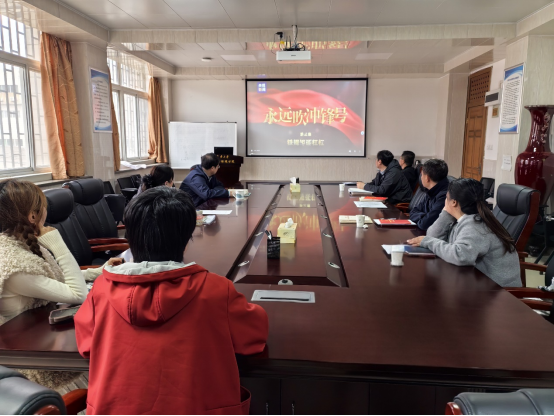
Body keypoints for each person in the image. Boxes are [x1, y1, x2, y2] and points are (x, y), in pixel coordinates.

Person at [75, 187, 269, 415]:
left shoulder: (101, 289)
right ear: (187, 240)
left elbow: (86, 346)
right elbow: (253, 339)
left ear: (130, 239)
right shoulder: (216, 290)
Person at [0, 179, 120, 392]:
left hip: (41, 328)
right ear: (33, 216)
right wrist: (58, 244)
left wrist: (98, 271)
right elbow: (77, 294)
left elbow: (55, 277)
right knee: (112, 346)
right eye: (44, 206)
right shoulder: (13, 263)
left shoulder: (19, 243)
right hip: (29, 353)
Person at [408, 178, 521, 288]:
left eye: (446, 198)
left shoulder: (475, 225)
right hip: (480, 283)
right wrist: (446, 214)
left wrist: (428, 242)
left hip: (501, 293)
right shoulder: (463, 219)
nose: (445, 202)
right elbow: (433, 236)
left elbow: (461, 256)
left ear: (454, 202)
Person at [410, 159, 450, 231]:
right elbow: (413, 212)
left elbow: (424, 224)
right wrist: (424, 216)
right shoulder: (431, 190)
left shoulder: (445, 196)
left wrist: (421, 217)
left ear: (427, 178)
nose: (421, 177)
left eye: (422, 175)